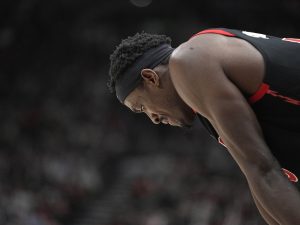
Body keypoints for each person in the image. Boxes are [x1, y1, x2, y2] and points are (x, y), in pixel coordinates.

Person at [108, 28, 300, 225]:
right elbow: (258, 182)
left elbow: (263, 171)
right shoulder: (207, 109)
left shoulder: (188, 61)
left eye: (142, 107)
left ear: (151, 78)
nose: (153, 118)